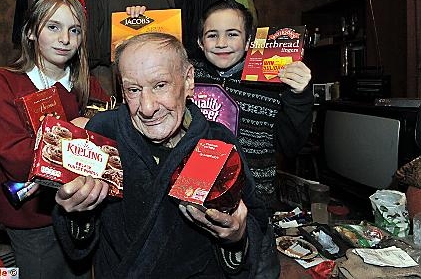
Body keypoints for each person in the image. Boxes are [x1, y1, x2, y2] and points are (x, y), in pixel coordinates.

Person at [52, 33, 269, 278]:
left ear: (188, 81)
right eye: (133, 89)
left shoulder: (218, 142)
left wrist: (237, 237)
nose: (147, 107)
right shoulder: (104, 133)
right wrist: (76, 211)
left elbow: (256, 220)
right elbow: (78, 245)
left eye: (160, 85)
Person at [0, 0, 109, 279]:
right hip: (33, 221)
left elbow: (109, 149)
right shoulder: (3, 82)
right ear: (30, 32)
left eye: (74, 30)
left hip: (84, 212)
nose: (65, 39)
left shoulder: (89, 86)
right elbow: (16, 157)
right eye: (54, 27)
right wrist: (80, 130)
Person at [193, 0, 314, 278]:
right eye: (212, 35)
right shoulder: (186, 77)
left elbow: (290, 146)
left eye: (232, 34)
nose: (222, 42)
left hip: (255, 208)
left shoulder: (272, 83)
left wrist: (299, 95)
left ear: (249, 41)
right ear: (200, 43)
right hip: (194, 204)